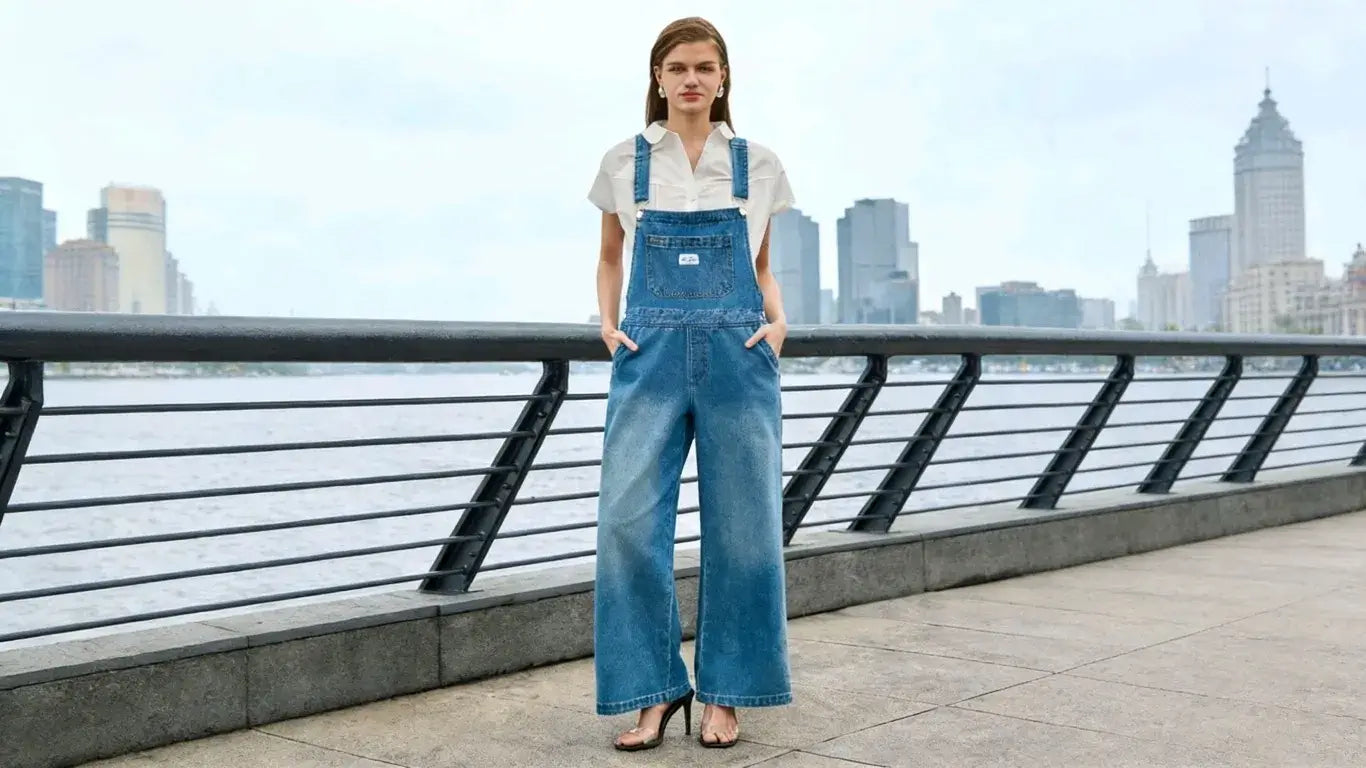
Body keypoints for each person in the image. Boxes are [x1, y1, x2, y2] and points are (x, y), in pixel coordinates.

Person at [586, 15, 794, 752]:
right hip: (648, 356)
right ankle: (654, 690)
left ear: (724, 78)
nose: (692, 80)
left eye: (705, 68)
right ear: (658, 78)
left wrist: (779, 322)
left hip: (741, 354)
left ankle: (729, 692)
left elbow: (763, 266)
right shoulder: (624, 162)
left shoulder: (757, 164)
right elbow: (612, 257)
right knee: (625, 524)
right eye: (678, 68)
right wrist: (608, 326)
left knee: (745, 529)